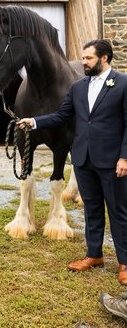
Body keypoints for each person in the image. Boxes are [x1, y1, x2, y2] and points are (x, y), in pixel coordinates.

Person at [17, 39, 127, 285]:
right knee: (92, 209)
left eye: (88, 58)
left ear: (104, 58)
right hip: (83, 158)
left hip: (112, 161)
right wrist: (33, 122)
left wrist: (125, 157)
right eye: (84, 57)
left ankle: (124, 263)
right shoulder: (78, 87)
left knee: (118, 212)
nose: (83, 62)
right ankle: (94, 255)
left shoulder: (123, 83)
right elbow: (61, 115)